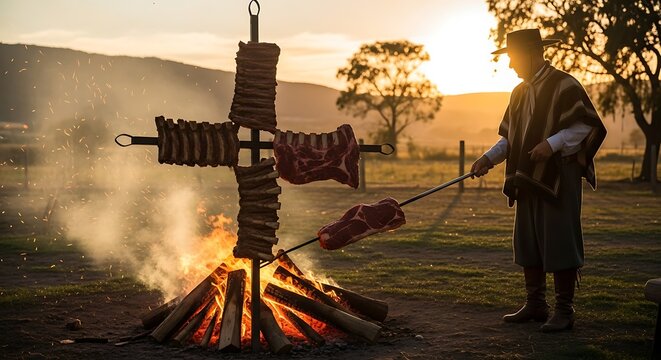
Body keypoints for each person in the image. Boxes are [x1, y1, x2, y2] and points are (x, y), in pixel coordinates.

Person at [471, 29, 607, 332]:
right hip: (527, 177)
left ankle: (564, 310)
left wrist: (553, 143)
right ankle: (535, 304)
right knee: (528, 239)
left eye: (514, 58)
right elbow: (510, 138)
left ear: (533, 53)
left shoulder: (565, 85)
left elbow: (586, 125)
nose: (510, 66)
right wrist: (488, 159)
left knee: (559, 239)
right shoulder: (518, 93)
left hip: (559, 177)